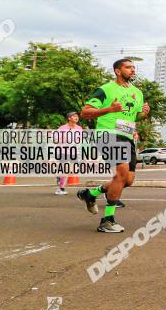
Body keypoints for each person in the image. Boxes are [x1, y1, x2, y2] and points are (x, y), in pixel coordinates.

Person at [76, 58, 150, 233]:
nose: (132, 70)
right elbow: (85, 112)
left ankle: (91, 194)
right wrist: (108, 109)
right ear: (117, 71)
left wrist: (144, 114)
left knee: (128, 180)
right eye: (128, 67)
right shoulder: (105, 89)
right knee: (121, 173)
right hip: (108, 134)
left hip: (127, 136)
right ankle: (107, 220)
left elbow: (134, 116)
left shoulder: (137, 92)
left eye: (133, 67)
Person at [54, 112, 82, 195]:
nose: (76, 117)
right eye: (74, 116)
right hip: (63, 151)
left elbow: (79, 140)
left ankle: (59, 177)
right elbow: (56, 139)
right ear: (69, 118)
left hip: (73, 152)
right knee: (65, 170)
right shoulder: (62, 128)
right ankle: (61, 188)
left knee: (73, 169)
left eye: (77, 116)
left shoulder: (79, 128)